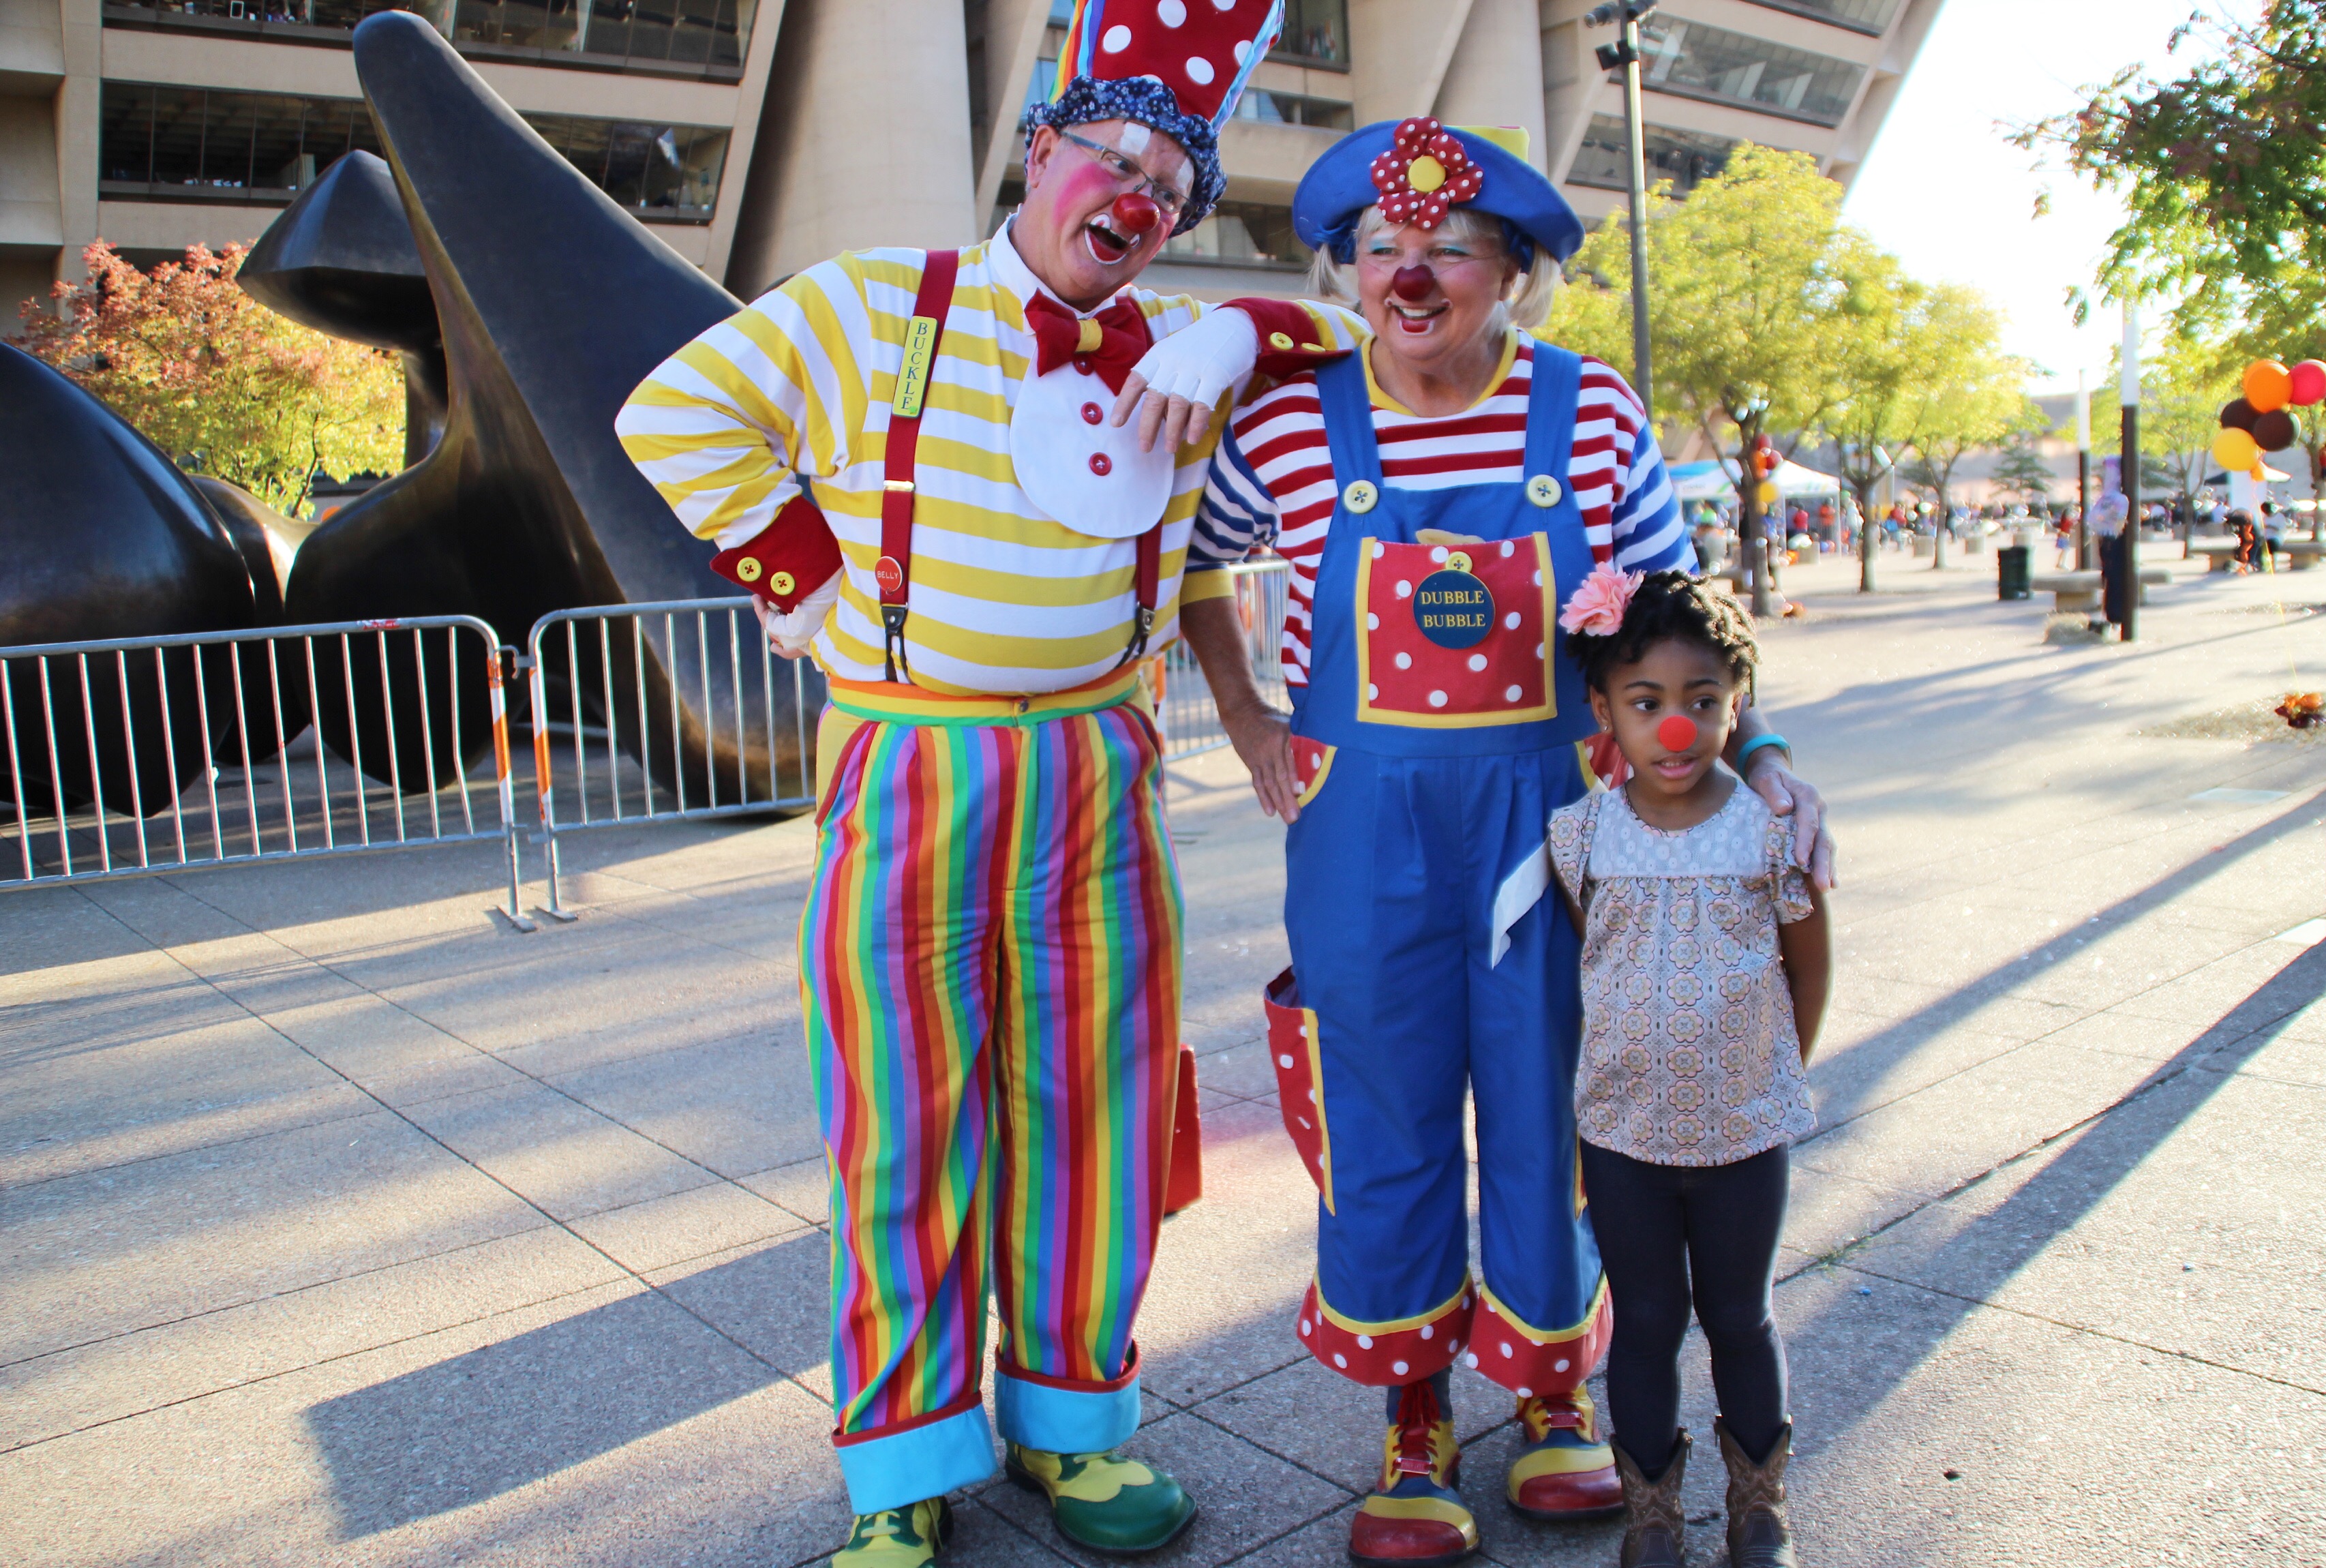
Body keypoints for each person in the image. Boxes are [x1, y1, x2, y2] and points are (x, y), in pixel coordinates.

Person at [613, 6, 1356, 1563]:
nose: (1138, 196)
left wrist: (1236, 326)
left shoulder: (1183, 348)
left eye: (1170, 186)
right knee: (900, 1122)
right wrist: (803, 577)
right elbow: (671, 411)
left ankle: (1073, 1424)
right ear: (1035, 153)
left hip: (1100, 765)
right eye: (1113, 157)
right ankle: (902, 1462)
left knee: (1094, 1111)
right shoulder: (877, 301)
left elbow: (1352, 346)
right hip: (915, 762)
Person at [1173, 116, 1837, 1566]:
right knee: (1383, 1110)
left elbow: (1674, 612)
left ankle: (1551, 1390)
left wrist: (1763, 757)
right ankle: (1411, 1412)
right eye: (1382, 248)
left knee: (1556, 1104)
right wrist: (1244, 713)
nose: (1409, 276)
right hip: (1362, 829)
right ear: (1347, 268)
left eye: (1448, 249)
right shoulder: (1286, 421)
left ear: (1511, 272)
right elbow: (1194, 560)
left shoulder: (1586, 411)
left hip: (1556, 824)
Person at [1546, 569, 1831, 1568]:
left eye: (1701, 701)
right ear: (1603, 711)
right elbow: (1594, 956)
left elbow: (1808, 963)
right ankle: (1652, 1518)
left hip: (1743, 1133)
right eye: (1646, 702)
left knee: (1740, 1318)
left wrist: (1769, 1072)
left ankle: (1757, 1509)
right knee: (1646, 1322)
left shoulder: (1767, 832)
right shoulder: (1580, 835)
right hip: (1623, 1136)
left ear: (1734, 704)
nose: (1675, 727)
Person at [2087, 483, 2130, 626]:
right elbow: (2120, 519)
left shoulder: (2105, 499)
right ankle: (2115, 613)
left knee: (2109, 575)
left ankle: (2111, 612)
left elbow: (2093, 518)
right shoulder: (2119, 500)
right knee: (2114, 576)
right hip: (2114, 539)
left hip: (2106, 539)